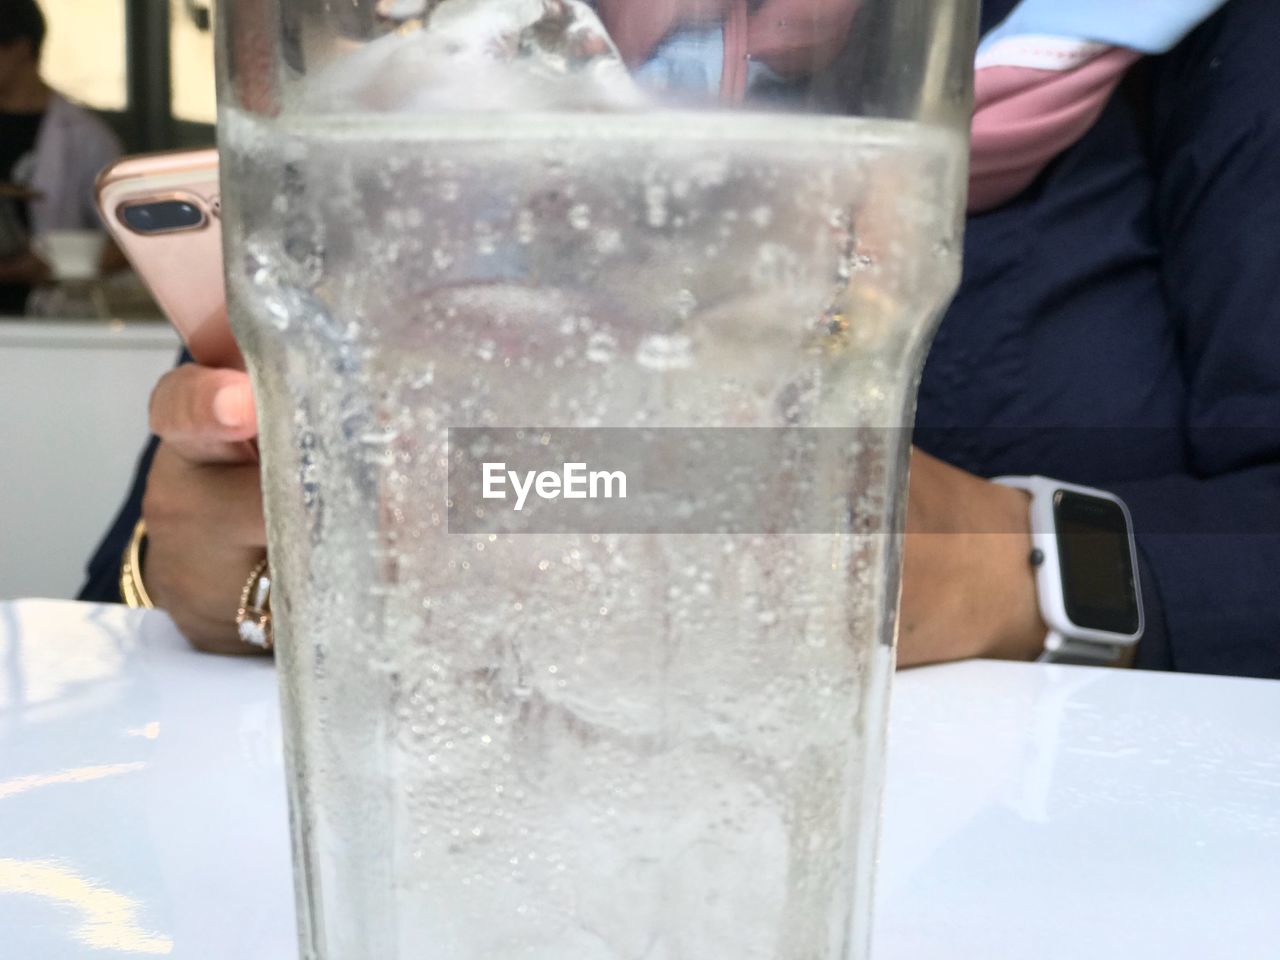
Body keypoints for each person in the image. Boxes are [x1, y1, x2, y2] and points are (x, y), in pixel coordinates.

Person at [81, 0, 1280, 678]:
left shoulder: (1208, 53)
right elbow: (142, 566)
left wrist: (1004, 565)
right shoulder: (465, 64)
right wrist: (227, 570)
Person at [0, 0, 123, 314]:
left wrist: (59, 265)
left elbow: (128, 239)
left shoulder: (85, 137)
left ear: (21, 48)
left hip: (50, 319)